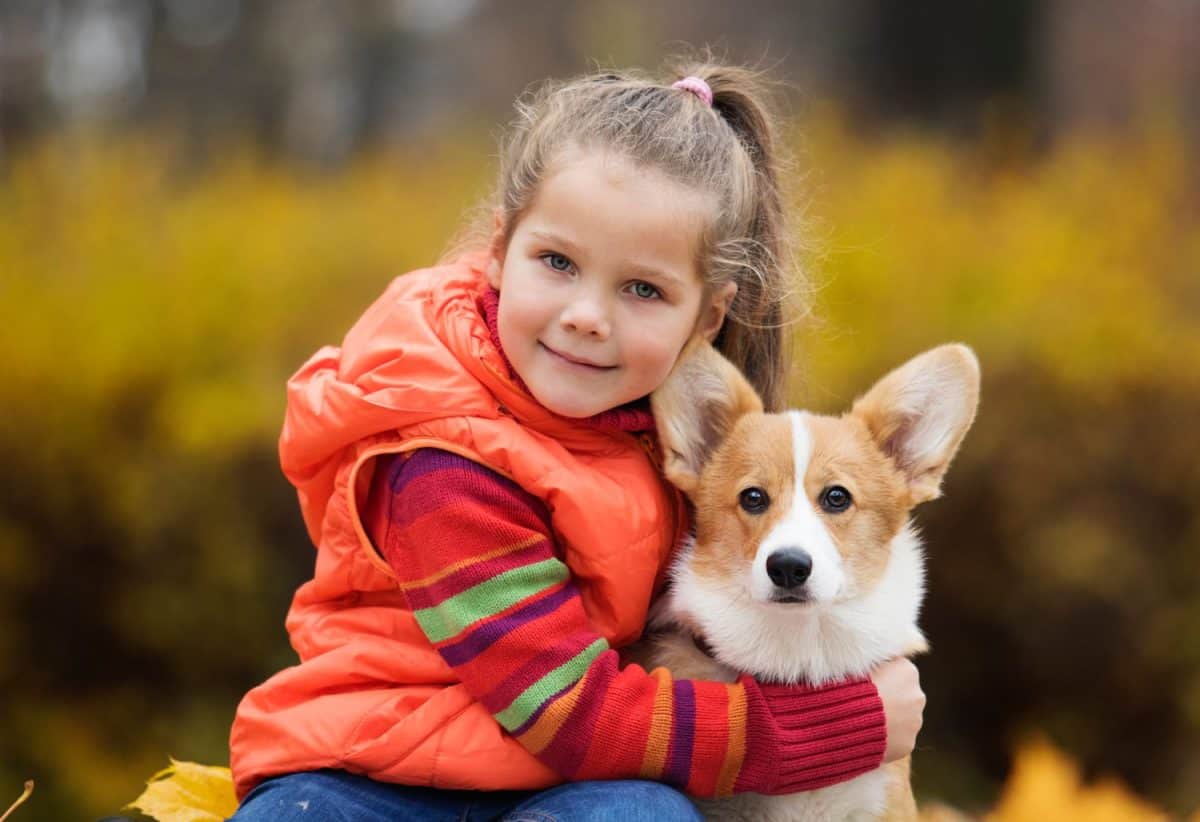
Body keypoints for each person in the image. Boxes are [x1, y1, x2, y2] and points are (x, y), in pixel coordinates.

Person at [228, 58, 925, 822]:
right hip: (371, 778)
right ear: (499, 250)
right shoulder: (442, 460)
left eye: (642, 289)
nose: (587, 315)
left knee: (642, 816)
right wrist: (840, 727)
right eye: (558, 263)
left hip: (559, 786)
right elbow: (565, 712)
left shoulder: (667, 436)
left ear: (707, 317)